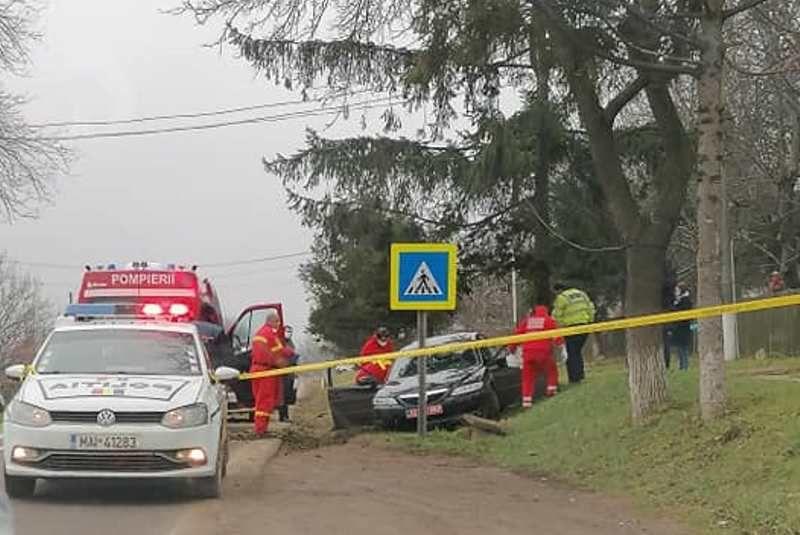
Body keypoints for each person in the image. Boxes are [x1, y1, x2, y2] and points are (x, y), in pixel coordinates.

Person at [250, 310, 294, 436]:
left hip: (260, 370)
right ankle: (260, 429)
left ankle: (262, 428)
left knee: (263, 401)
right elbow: (278, 351)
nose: (279, 324)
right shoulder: (269, 334)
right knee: (265, 401)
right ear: (270, 321)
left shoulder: (261, 333)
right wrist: (290, 352)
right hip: (265, 372)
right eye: (277, 321)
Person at [510, 305, 563, 408]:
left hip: (528, 354)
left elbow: (517, 335)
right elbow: (557, 335)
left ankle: (526, 401)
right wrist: (560, 345)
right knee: (551, 371)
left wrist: (512, 348)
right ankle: (551, 390)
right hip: (544, 353)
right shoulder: (548, 320)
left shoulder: (527, 321)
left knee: (527, 378)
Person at [552, 283, 596, 384]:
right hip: (584, 326)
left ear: (558, 290)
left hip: (571, 328)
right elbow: (591, 308)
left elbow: (557, 315)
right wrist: (590, 321)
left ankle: (575, 378)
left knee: (572, 353)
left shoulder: (562, 297)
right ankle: (579, 375)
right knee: (576, 352)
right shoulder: (582, 294)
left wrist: (560, 327)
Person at [668, 282, 693, 371]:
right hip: (678, 328)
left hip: (683, 328)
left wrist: (676, 305)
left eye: (677, 290)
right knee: (679, 348)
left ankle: (685, 366)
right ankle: (681, 366)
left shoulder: (686, 300)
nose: (676, 292)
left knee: (683, 348)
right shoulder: (678, 300)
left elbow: (682, 312)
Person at [277, 325, 299, 423]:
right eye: (287, 331)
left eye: (290, 332)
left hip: (289, 373)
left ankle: (285, 415)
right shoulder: (280, 343)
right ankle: (283, 416)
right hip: (282, 373)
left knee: (288, 395)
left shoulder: (291, 343)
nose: (288, 333)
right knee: (282, 395)